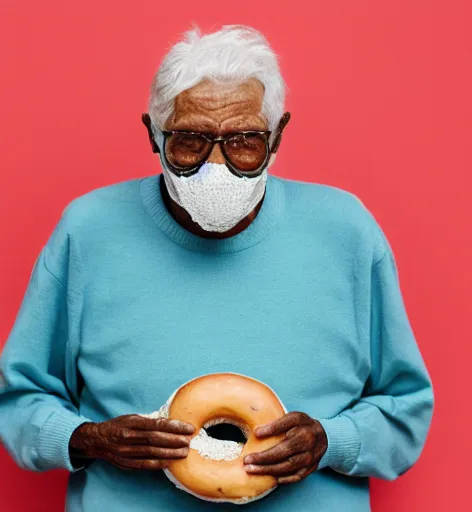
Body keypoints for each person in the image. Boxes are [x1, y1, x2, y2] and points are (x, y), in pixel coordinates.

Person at [0, 25, 434, 512]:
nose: (216, 165)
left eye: (245, 140)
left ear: (277, 136)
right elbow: (19, 401)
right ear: (152, 134)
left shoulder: (346, 231)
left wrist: (332, 441)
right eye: (190, 140)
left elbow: (406, 410)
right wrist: (87, 439)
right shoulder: (89, 231)